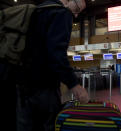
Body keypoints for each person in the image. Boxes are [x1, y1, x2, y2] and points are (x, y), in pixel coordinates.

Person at [16, 0, 89, 131]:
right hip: (44, 87)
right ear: (67, 1)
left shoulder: (38, 10)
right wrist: (74, 84)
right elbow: (56, 53)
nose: (76, 15)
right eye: (77, 9)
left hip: (22, 85)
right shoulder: (62, 13)